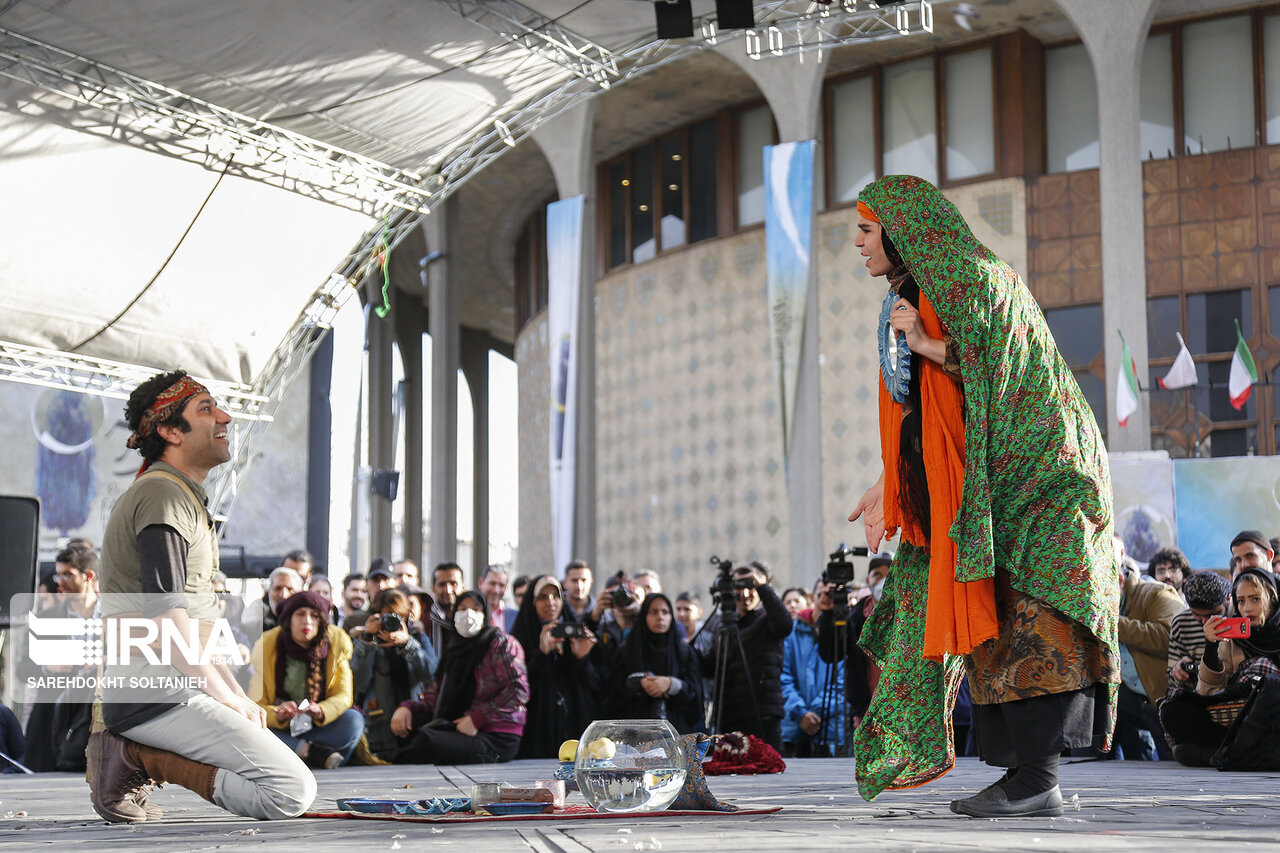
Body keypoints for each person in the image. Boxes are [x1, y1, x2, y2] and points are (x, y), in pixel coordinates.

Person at [848, 177, 1119, 817]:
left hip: (1040, 483)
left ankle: (1037, 779)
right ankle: (1027, 777)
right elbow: (926, 411)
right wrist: (890, 481)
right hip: (987, 490)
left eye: (865, 229)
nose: (857, 244)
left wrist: (924, 345)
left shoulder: (976, 280)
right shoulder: (913, 295)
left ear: (903, 227)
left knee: (1033, 618)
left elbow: (1000, 368)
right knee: (989, 625)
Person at [90, 369, 314, 823]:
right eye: (206, 409)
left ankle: (137, 751)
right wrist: (228, 700)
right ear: (170, 431)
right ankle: (137, 755)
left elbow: (189, 627)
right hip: (156, 695)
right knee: (290, 792)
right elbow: (167, 622)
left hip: (174, 689)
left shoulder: (177, 495)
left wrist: (236, 695)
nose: (226, 418)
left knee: (284, 774)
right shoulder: (161, 495)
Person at [391, 590, 528, 765]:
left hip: (496, 735)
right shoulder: (453, 651)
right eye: (462, 608)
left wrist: (478, 719)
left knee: (425, 742)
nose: (468, 614)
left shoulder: (501, 644)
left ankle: (387, 761)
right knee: (407, 729)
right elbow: (435, 698)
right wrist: (407, 708)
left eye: (476, 609)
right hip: (458, 726)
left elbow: (518, 691)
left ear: (485, 614)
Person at [1160, 569, 1280, 766]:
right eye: (1241, 601)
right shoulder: (1232, 638)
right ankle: (1235, 752)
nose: (1247, 608)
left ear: (1272, 599)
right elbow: (1208, 691)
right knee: (1174, 708)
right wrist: (1211, 645)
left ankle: (1225, 754)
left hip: (1273, 719)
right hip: (1239, 719)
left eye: (1255, 599)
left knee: (1265, 675)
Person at [251, 590, 362, 769]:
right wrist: (277, 713)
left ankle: (299, 752)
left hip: (321, 726)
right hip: (283, 728)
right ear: (289, 619)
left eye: (315, 616)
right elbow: (256, 705)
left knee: (353, 721)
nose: (307, 621)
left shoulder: (336, 645)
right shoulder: (267, 647)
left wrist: (321, 710)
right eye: (300, 614)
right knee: (253, 727)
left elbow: (343, 696)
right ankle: (314, 753)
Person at [701, 563, 792, 753]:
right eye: (739, 587)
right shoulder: (723, 624)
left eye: (750, 587)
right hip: (729, 714)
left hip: (762, 713)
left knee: (770, 769)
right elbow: (710, 666)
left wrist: (763, 586)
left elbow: (784, 625)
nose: (745, 593)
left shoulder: (767, 618)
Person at [510, 575, 601, 759]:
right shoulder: (520, 638)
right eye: (542, 597)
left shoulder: (578, 636)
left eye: (556, 596)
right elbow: (517, 689)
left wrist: (581, 658)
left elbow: (597, 687)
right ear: (532, 602)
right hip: (536, 735)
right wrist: (542, 654)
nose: (550, 602)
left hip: (574, 731)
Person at [350, 588, 438, 761]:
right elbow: (357, 683)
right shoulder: (366, 640)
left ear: (406, 617)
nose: (392, 623)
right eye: (387, 617)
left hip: (415, 726)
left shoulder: (417, 637)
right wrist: (367, 640)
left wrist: (407, 644)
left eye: (398, 617)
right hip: (379, 734)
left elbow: (431, 674)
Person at [610, 593, 705, 735]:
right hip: (633, 739)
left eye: (665, 612)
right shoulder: (627, 651)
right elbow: (612, 695)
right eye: (653, 612)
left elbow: (696, 702)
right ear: (644, 616)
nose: (660, 617)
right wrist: (639, 684)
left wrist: (672, 685)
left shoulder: (684, 652)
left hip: (677, 737)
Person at [1115, 561, 1182, 760]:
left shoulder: (1156, 593)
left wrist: (1112, 623)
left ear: (1119, 581)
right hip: (1128, 703)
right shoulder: (1106, 603)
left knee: (1176, 770)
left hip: (1163, 702)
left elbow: (1170, 636)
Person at [782, 579, 846, 758]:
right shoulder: (791, 632)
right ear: (813, 597)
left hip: (831, 730)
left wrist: (814, 713)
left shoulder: (844, 632)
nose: (827, 598)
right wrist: (800, 713)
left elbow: (844, 682)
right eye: (823, 593)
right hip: (793, 726)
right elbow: (783, 677)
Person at [1166, 571, 1232, 692]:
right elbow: (1171, 677)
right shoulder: (1181, 624)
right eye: (1197, 615)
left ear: (1228, 599)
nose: (1206, 622)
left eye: (1214, 614)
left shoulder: (1238, 620)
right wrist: (1178, 672)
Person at [241, 566, 303, 635]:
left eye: (290, 589)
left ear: (300, 593)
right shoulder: (256, 625)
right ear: (269, 592)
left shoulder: (307, 624)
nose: (283, 595)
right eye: (278, 588)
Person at [562, 561, 595, 625]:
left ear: (591, 582)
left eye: (584, 580)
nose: (579, 586)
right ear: (564, 583)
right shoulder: (554, 611)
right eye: (574, 580)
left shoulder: (600, 613)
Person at [479, 565, 511, 630]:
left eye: (501, 585)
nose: (496, 590)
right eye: (492, 583)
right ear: (480, 583)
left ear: (507, 588)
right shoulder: (469, 614)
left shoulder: (516, 617)